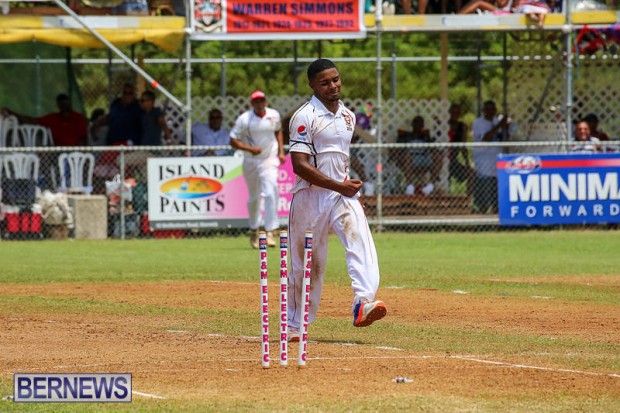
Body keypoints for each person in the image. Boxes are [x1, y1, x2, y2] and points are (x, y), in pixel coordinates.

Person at [286, 58, 387, 341]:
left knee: (360, 240)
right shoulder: (304, 116)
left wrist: (344, 186)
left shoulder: (348, 116)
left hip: (341, 194)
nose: (332, 86)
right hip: (309, 197)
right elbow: (299, 165)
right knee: (307, 265)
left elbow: (338, 158)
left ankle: (363, 302)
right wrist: (338, 185)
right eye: (325, 82)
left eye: (335, 79)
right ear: (312, 85)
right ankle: (295, 324)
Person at [229, 90, 285, 249]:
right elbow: (232, 141)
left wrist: (281, 151)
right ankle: (254, 229)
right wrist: (250, 149)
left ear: (266, 102)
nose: (259, 104)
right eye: (256, 101)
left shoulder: (274, 115)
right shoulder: (244, 119)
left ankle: (270, 231)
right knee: (254, 197)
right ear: (252, 103)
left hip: (269, 158)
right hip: (251, 160)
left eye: (261, 101)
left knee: (270, 192)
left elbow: (278, 131)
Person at [2, 93, 88, 146]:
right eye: (61, 104)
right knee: (44, 151)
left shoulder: (78, 117)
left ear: (69, 104)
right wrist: (12, 113)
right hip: (57, 151)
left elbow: (84, 137)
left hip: (75, 151)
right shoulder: (53, 118)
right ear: (58, 105)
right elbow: (32, 121)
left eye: (66, 103)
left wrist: (78, 151)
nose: (64, 106)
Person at [472, 100, 507, 214]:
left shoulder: (497, 121)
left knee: (497, 186)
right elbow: (486, 138)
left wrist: (505, 127)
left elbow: (504, 138)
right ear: (483, 110)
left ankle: (496, 208)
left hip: (497, 159)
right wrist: (499, 125)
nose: (490, 112)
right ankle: (482, 208)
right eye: (487, 109)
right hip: (484, 160)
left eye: (492, 109)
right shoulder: (478, 123)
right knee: (485, 185)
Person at [395, 115, 441, 195]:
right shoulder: (405, 136)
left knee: (438, 156)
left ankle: (430, 186)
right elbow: (399, 149)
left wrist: (436, 151)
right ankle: (410, 186)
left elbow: (432, 148)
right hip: (409, 158)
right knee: (407, 156)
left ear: (423, 126)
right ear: (412, 124)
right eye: (416, 123)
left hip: (423, 158)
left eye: (420, 123)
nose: (418, 125)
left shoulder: (425, 137)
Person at [447, 103, 474, 195]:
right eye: (453, 112)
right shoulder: (443, 124)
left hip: (453, 160)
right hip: (443, 159)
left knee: (471, 173)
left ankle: (468, 197)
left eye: (457, 112)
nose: (455, 114)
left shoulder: (462, 126)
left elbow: (463, 146)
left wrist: (467, 162)